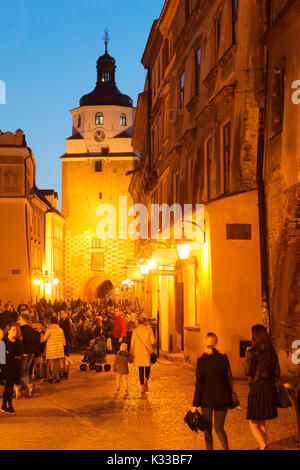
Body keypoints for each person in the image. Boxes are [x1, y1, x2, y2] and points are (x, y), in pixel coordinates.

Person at [191, 332, 232, 450]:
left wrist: (195, 404)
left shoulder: (201, 361)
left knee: (208, 430)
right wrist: (230, 397)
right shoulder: (223, 358)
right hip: (222, 399)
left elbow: (199, 384)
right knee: (219, 428)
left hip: (206, 400)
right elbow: (228, 379)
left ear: (204, 343)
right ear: (216, 343)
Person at [245, 324, 280, 450]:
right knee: (262, 422)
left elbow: (247, 371)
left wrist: (246, 357)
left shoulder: (251, 352)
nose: (250, 335)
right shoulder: (272, 352)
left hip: (257, 388)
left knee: (253, 423)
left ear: (255, 336)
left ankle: (264, 446)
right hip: (269, 388)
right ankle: (263, 447)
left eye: (251, 333)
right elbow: (277, 372)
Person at [130, 316, 156, 396]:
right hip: (146, 351)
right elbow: (152, 341)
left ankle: (142, 387)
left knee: (140, 368)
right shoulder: (148, 329)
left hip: (137, 352)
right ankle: (146, 381)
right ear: (145, 322)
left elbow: (132, 343)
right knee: (147, 366)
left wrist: (131, 352)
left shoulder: (135, 331)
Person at [1, 323, 23, 414]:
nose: (15, 332)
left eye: (16, 330)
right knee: (8, 387)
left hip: (15, 366)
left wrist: (11, 354)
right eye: (13, 330)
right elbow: (2, 357)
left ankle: (8, 405)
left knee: (10, 386)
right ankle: (6, 405)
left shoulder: (17, 341)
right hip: (6, 367)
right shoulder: (4, 341)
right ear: (8, 330)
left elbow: (19, 354)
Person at [18, 312, 40, 397]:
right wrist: (37, 355)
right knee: (26, 371)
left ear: (23, 320)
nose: (18, 321)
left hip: (23, 353)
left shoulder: (21, 330)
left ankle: (28, 385)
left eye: (19, 319)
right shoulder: (32, 330)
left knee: (22, 372)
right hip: (31, 354)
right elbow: (36, 343)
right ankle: (25, 389)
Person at [41, 317, 65, 383]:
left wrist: (41, 336)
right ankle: (57, 377)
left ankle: (50, 377)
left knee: (48, 363)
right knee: (56, 364)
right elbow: (64, 341)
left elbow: (44, 339)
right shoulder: (60, 330)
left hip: (51, 349)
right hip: (59, 350)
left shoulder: (49, 329)